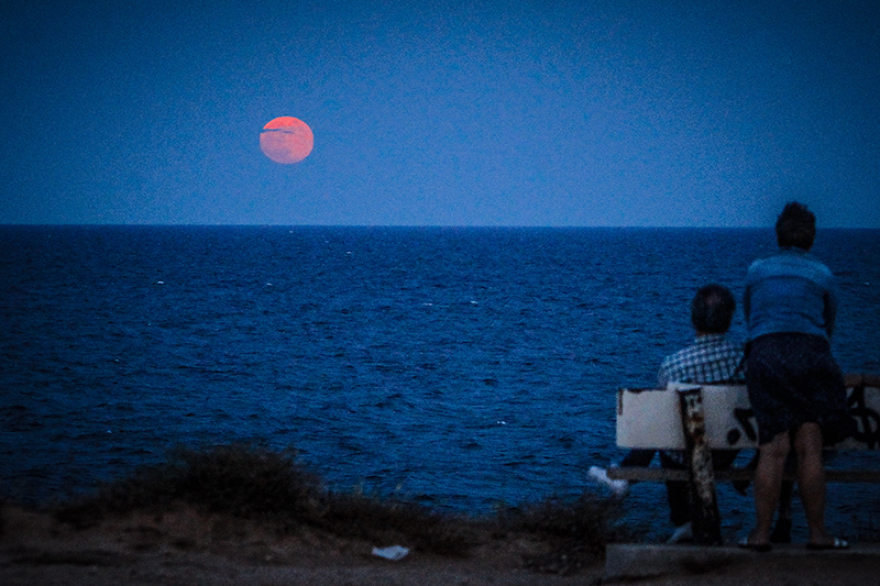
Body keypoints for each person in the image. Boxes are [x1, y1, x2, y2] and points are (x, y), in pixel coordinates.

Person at [590, 283, 746, 543]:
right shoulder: (745, 360)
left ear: (693, 318)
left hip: (688, 453)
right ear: (729, 320)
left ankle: (666, 507)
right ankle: (682, 519)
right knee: (674, 430)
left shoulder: (674, 365)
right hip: (726, 452)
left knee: (669, 429)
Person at [739, 202, 854, 552]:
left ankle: (760, 535)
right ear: (812, 237)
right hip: (810, 357)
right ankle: (818, 534)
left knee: (772, 449)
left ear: (778, 235)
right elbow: (827, 327)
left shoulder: (757, 271)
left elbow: (752, 318)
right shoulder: (822, 274)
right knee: (810, 448)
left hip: (767, 356)